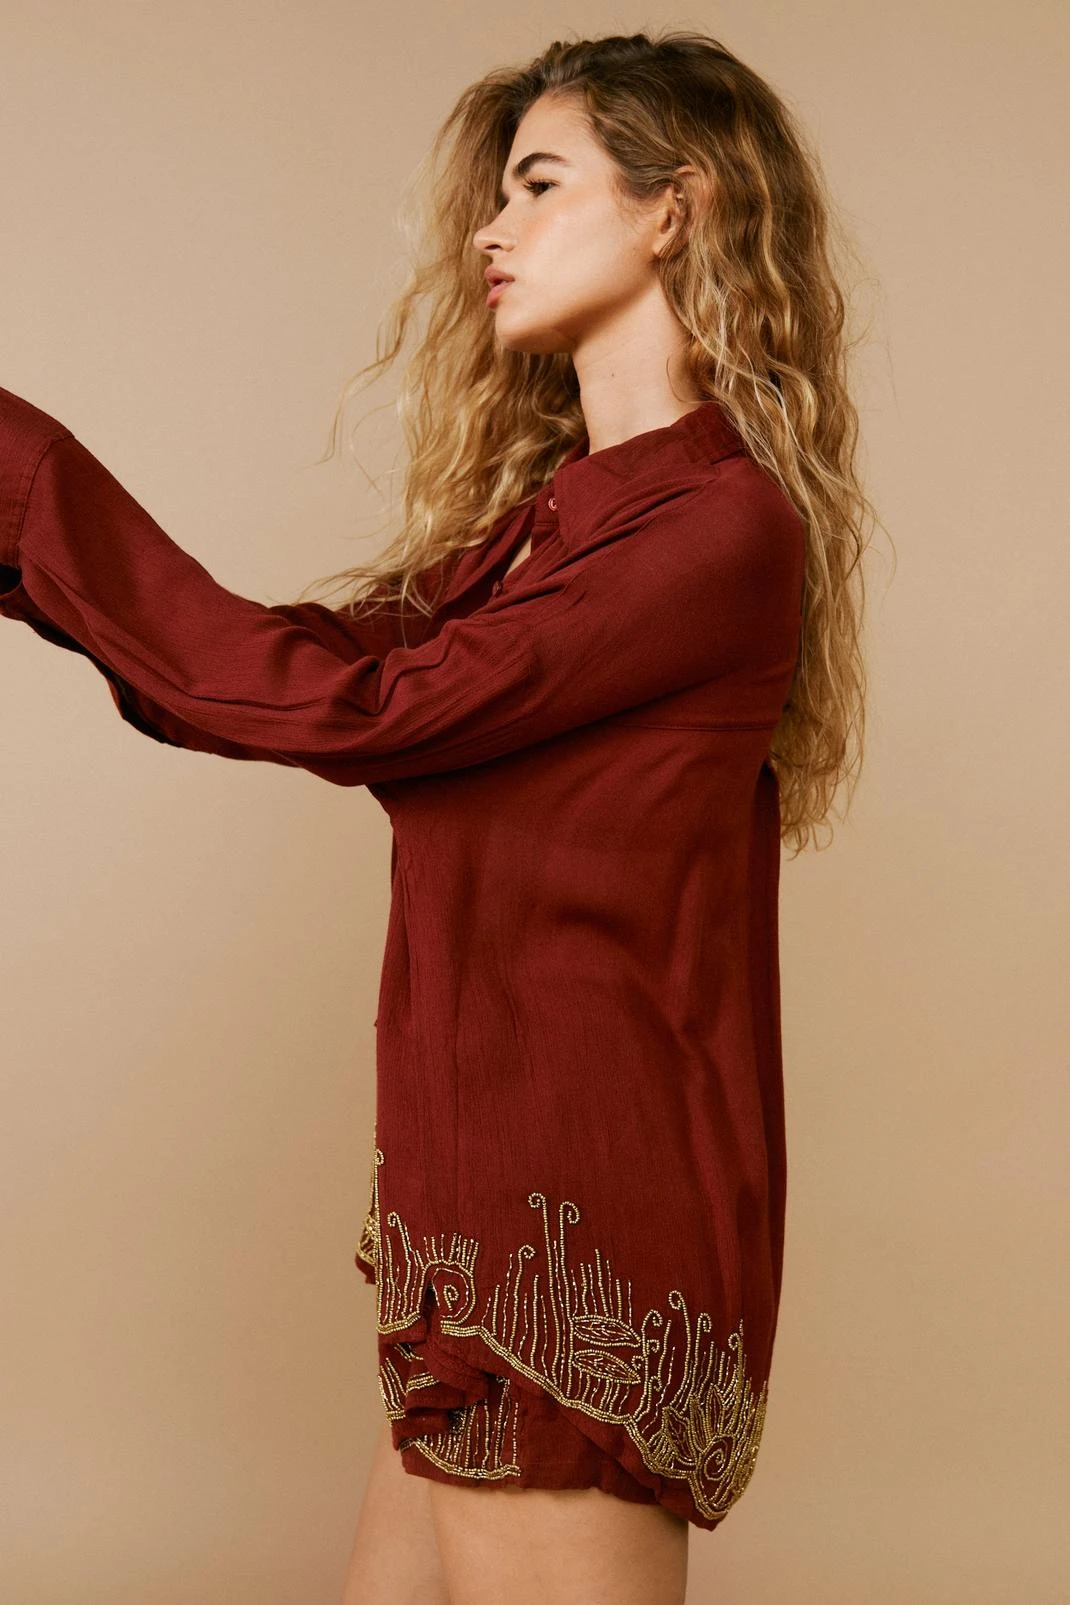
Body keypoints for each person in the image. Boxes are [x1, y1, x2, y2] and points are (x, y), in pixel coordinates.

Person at [0, 27, 875, 1605]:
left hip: (579, 1241)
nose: (489, 227)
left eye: (538, 185)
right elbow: (283, 670)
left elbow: (355, 711)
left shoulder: (715, 530)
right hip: (476, 1219)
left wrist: (23, 473)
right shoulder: (544, 537)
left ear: (674, 209)